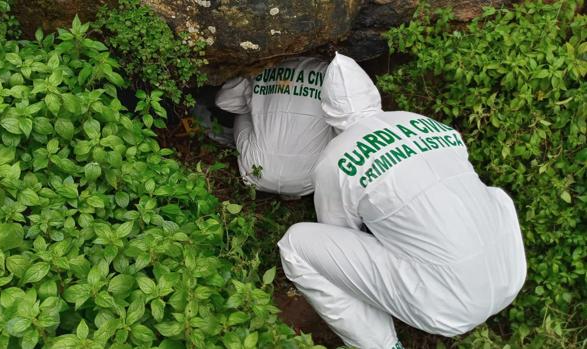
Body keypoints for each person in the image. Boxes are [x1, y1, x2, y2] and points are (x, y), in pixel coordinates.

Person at [278, 53, 527, 349]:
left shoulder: (337, 157)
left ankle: (382, 345)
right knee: (491, 195)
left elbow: (339, 233)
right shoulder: (425, 122)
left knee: (296, 246)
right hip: (509, 275)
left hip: (446, 307)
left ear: (328, 110)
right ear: (374, 93)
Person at [215, 57, 334, 197]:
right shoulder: (330, 72)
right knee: (333, 119)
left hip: (256, 172)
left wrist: (257, 104)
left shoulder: (261, 67)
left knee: (246, 111)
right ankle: (292, 192)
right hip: (308, 182)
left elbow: (223, 101)